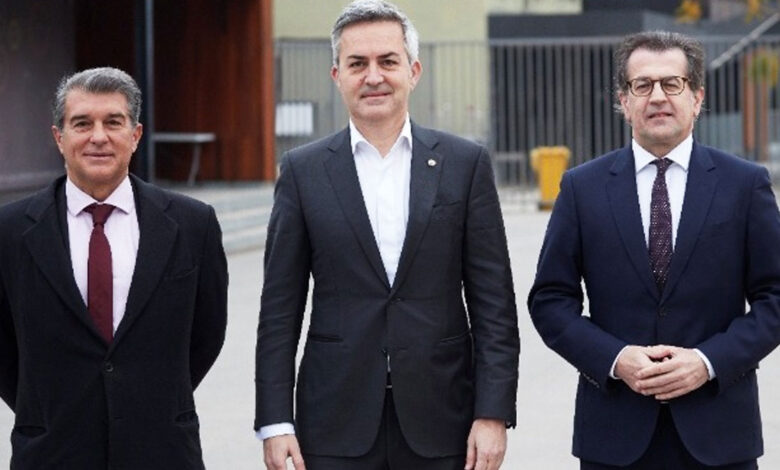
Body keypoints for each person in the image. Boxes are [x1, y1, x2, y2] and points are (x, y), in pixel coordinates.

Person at [254, 1, 520, 469]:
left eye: (388, 61)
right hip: (334, 422)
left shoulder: (464, 164)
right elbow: (279, 310)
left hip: (445, 420)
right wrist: (275, 422)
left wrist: (493, 412)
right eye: (357, 64)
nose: (373, 76)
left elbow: (494, 305)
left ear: (413, 71)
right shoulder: (302, 171)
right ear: (337, 75)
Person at [528, 31, 780, 469]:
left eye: (672, 84)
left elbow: (774, 297)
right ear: (624, 101)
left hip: (719, 435)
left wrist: (707, 362)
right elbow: (550, 300)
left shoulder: (744, 184)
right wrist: (615, 359)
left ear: (697, 98)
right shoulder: (582, 188)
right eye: (642, 85)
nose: (657, 97)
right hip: (614, 436)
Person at [0, 67, 228, 469]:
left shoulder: (193, 225)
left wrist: (147, 398)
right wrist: (45, 409)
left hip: (161, 451)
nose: (98, 137)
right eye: (81, 123)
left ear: (135, 135)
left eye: (113, 122)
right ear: (59, 137)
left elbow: (206, 334)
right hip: (52, 453)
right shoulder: (10, 231)